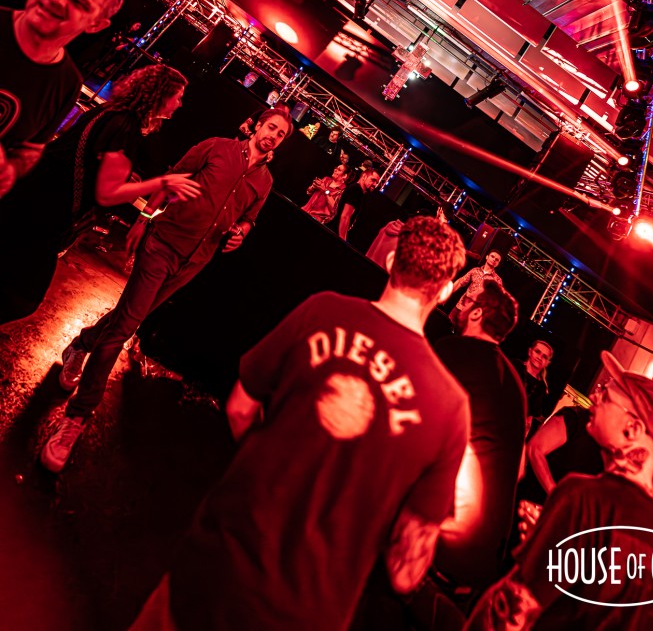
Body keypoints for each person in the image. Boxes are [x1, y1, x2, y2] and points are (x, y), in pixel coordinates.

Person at [129, 215, 470, 631]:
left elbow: (239, 408)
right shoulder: (451, 407)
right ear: (446, 290)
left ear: (391, 260)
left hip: (217, 563)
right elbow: (405, 572)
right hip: (310, 611)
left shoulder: (323, 310)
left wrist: (270, 465)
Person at [39, 105, 293, 473]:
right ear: (257, 126)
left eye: (281, 134)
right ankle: (77, 415)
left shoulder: (265, 182)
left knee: (130, 317)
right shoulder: (216, 147)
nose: (273, 136)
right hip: (162, 245)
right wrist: (143, 218)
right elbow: (171, 179)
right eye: (271, 127)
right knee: (125, 328)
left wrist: (242, 231)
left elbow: (249, 219)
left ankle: (82, 344)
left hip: (194, 261)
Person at [464, 351, 653, 629]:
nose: (595, 398)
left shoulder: (583, 498)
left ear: (632, 429)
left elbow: (510, 612)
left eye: (606, 396)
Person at [0, 64, 199, 324]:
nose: (180, 104)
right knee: (21, 297)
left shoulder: (110, 111)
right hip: (46, 212)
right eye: (178, 97)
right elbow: (107, 194)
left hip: (30, 194)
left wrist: (126, 177)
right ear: (160, 95)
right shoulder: (125, 128)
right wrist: (161, 183)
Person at [0, 0, 125, 198]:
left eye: (78, 1)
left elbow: (30, 151)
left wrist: (10, 170)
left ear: (96, 25)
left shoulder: (68, 84)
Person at [433, 281, 527, 595]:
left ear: (476, 314)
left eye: (468, 301)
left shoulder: (453, 350)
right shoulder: (514, 383)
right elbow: (519, 469)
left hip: (440, 546)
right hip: (482, 560)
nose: (462, 304)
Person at [448, 249, 503, 328]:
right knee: (446, 326)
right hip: (460, 306)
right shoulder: (475, 270)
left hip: (473, 314)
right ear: (487, 257)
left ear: (498, 264)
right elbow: (460, 282)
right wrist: (447, 294)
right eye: (492, 256)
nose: (494, 259)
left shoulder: (497, 280)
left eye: (497, 260)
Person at [511, 339, 554, 432]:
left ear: (547, 363)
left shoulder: (541, 387)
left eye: (544, 356)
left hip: (513, 426)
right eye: (537, 352)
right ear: (530, 351)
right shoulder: (516, 365)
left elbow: (530, 417)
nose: (539, 357)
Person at [336, 165, 380, 241]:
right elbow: (345, 216)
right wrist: (342, 240)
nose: (375, 184)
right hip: (335, 232)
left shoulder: (358, 191)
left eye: (377, 182)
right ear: (364, 176)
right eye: (373, 180)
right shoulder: (356, 190)